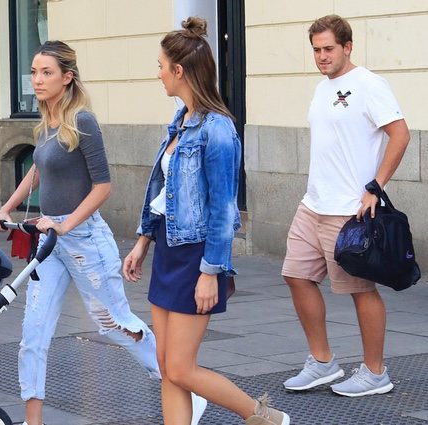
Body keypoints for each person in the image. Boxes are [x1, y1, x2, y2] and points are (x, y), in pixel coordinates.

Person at [0, 40, 206, 425]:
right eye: (34, 72)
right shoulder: (45, 120)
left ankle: (180, 389)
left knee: (115, 324)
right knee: (33, 334)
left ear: (67, 77)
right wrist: (5, 209)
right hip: (49, 240)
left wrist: (65, 223)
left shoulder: (82, 121)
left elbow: (103, 187)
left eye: (46, 72)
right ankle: (32, 421)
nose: (37, 79)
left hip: (85, 237)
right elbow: (37, 171)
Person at [122, 17, 290, 425]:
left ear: (179, 71)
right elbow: (163, 192)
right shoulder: (180, 122)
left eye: (161, 65)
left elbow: (222, 209)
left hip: (196, 254)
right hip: (168, 247)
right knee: (167, 365)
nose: (158, 72)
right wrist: (143, 242)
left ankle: (264, 417)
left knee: (180, 367)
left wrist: (210, 272)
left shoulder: (217, 129)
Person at [281, 14, 410, 398]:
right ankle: (322, 362)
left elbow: (399, 134)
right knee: (296, 276)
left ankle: (375, 373)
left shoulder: (370, 85)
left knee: (359, 289)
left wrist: (375, 186)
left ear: (347, 47)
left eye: (328, 49)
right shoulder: (323, 88)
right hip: (313, 203)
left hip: (348, 210)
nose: (321, 56)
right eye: (316, 50)